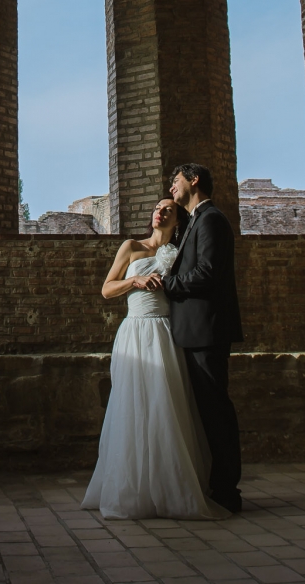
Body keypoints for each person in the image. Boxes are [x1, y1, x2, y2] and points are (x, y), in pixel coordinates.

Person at [82, 198, 229, 520]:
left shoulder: (180, 254)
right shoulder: (131, 246)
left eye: (169, 210)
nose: (160, 213)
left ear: (178, 220)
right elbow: (107, 289)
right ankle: (131, 487)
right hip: (134, 331)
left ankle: (170, 486)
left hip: (166, 333)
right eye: (158, 209)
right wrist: (134, 281)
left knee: (167, 405)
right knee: (131, 405)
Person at [163, 163, 244, 513]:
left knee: (215, 411)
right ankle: (217, 484)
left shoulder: (211, 219)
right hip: (195, 331)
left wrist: (167, 284)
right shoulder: (195, 220)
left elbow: (208, 273)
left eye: (175, 182)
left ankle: (228, 491)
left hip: (207, 331)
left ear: (193, 181)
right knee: (208, 411)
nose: (171, 189)